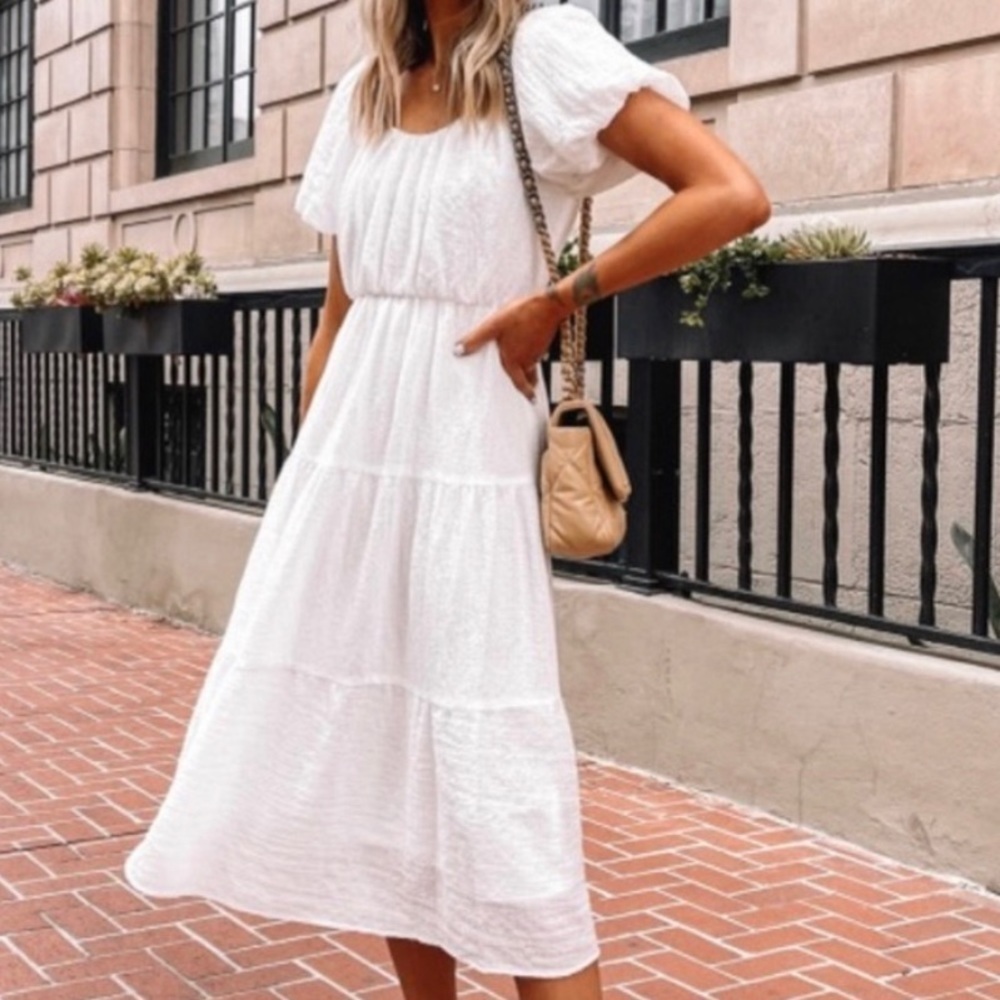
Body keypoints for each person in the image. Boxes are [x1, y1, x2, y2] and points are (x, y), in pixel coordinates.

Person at [123, 0, 769, 997]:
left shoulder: (544, 53)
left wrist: (560, 298)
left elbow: (729, 193)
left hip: (468, 448)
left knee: (498, 772)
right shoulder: (363, 91)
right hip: (350, 466)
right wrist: (307, 482)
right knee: (383, 769)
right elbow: (338, 316)